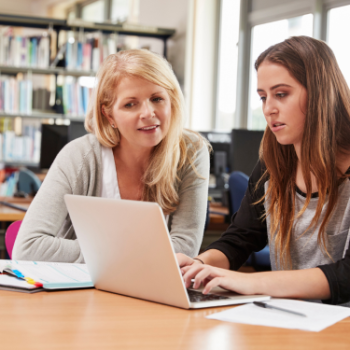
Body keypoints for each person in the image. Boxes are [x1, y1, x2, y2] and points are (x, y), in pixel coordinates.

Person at [179, 36, 350, 306]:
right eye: (263, 97)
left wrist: (249, 283)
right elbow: (240, 238)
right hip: (292, 321)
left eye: (281, 94)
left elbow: (347, 276)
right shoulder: (274, 165)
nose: (268, 108)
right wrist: (197, 266)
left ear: (320, 93)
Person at [13, 49, 210, 263]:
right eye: (130, 104)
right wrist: (126, 252)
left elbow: (185, 248)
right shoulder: (79, 157)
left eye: (157, 98)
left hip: (150, 291)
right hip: (80, 289)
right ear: (109, 114)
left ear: (171, 100)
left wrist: (104, 251)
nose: (148, 113)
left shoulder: (190, 152)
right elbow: (28, 248)